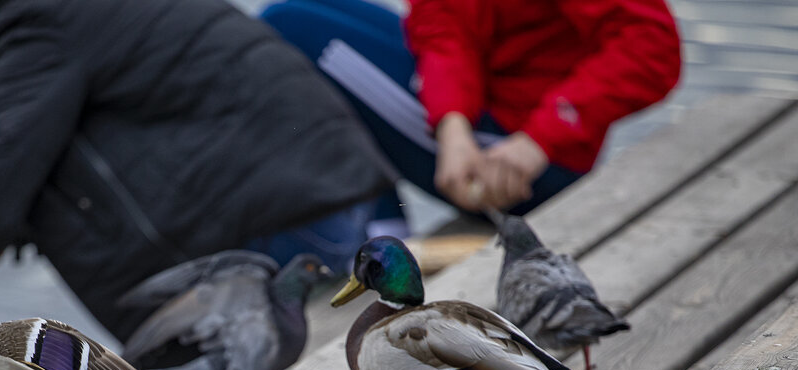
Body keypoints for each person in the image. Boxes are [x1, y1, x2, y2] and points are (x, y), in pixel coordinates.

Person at [0, 0, 397, 342]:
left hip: (288, 230)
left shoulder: (30, 29)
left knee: (43, 172)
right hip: (339, 199)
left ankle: (181, 352)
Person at [260, 0, 682, 216]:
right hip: (474, 134)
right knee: (297, 9)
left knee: (289, 29)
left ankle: (377, 228)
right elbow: (444, 25)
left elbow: (652, 47)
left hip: (514, 162)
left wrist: (536, 143)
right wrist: (452, 126)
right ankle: (378, 223)